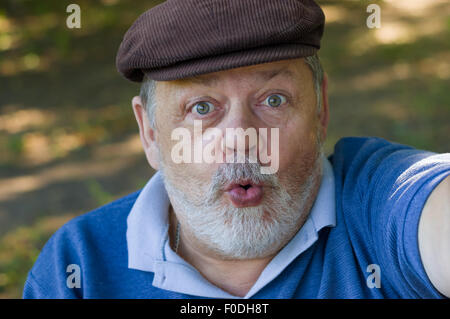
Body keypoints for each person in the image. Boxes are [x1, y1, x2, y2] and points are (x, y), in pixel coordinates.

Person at [23, 0, 450, 298]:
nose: (241, 140)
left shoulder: (378, 204)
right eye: (202, 107)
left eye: (274, 100)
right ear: (150, 132)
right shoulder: (77, 268)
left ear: (321, 109)